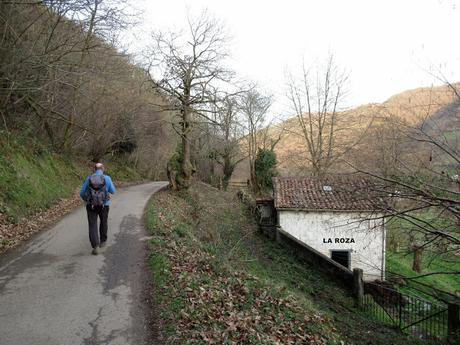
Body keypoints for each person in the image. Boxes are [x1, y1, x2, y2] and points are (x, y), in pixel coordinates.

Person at [80, 163, 116, 255]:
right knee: (103, 221)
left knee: (92, 224)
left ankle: (95, 246)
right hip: (104, 204)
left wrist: (87, 199)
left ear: (94, 169)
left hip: (91, 205)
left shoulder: (89, 178)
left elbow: (82, 193)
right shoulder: (107, 178)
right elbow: (113, 191)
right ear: (103, 169)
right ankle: (103, 241)